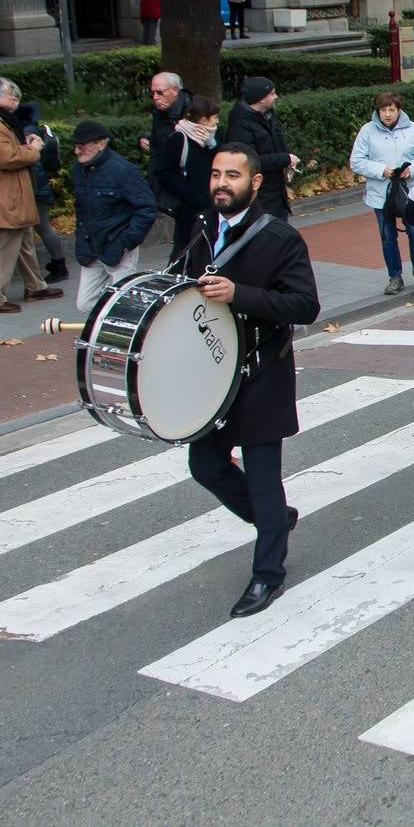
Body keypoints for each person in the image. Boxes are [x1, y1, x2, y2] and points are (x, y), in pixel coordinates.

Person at [183, 143, 320, 618]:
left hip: (261, 373)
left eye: (233, 176)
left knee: (263, 479)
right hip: (213, 374)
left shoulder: (280, 238)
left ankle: (268, 574)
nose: (222, 183)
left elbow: (305, 306)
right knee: (205, 466)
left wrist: (239, 294)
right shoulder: (201, 226)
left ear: (255, 182)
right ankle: (275, 523)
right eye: (217, 174)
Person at [348, 90, 414, 295]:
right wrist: (381, 170)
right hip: (381, 193)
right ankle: (395, 277)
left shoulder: (413, 129)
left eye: (392, 110)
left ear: (399, 110)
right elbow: (356, 161)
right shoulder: (367, 131)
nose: (387, 114)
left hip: (411, 192)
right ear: (377, 111)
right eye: (383, 110)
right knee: (388, 237)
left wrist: (411, 169)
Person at [71, 120, 155, 312]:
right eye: (76, 146)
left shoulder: (123, 170)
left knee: (122, 302)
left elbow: (147, 208)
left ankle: (126, 331)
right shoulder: (79, 170)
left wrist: (128, 241)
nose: (77, 151)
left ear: (101, 144)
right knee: (85, 302)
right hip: (91, 247)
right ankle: (109, 323)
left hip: (118, 245)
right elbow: (80, 208)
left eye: (81, 146)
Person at [0, 82, 60, 314]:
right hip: (8, 197)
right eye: (11, 95)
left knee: (24, 241)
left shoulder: (7, 120)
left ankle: (35, 285)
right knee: (7, 247)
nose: (16, 99)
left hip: (16, 195)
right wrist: (34, 149)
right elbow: (7, 156)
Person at [155, 94, 221, 265]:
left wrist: (212, 145)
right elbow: (164, 172)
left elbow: (218, 163)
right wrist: (192, 195)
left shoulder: (207, 140)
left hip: (209, 205)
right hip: (188, 208)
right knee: (185, 250)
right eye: (215, 117)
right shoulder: (179, 138)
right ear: (204, 120)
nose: (217, 122)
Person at [224, 76, 297, 217]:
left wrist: (287, 156)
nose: (276, 97)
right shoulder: (240, 125)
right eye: (272, 93)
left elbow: (277, 143)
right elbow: (248, 160)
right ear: (261, 98)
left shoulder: (268, 117)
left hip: (276, 194)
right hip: (260, 198)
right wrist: (284, 158)